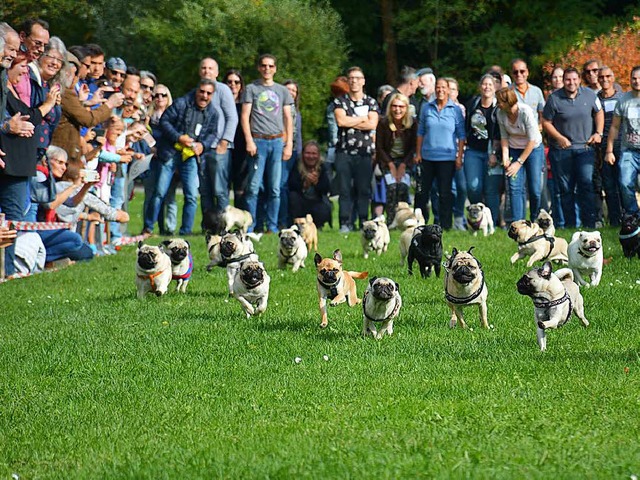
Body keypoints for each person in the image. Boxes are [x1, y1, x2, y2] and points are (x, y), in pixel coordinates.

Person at [144, 79, 220, 235]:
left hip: (191, 157)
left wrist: (203, 145)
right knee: (159, 192)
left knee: (192, 195)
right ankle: (149, 228)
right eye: (202, 92)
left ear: (212, 95)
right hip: (170, 152)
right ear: (197, 90)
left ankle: (186, 231)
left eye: (208, 93)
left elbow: (212, 133)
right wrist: (179, 137)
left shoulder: (213, 113)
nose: (204, 96)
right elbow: (164, 122)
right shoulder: (181, 103)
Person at [542, 67, 604, 228]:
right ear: (563, 81)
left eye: (574, 79)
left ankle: (589, 224)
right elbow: (546, 122)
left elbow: (599, 112)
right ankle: (570, 226)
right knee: (565, 190)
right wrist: (559, 138)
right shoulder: (554, 98)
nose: (571, 82)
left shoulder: (590, 95)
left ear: (579, 80)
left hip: (585, 149)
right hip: (562, 151)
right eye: (568, 79)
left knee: (586, 185)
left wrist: (599, 133)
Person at [241, 54, 293, 233]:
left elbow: (288, 117)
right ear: (259, 68)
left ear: (275, 68)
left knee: (275, 188)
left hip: (277, 141)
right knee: (253, 187)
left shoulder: (282, 91)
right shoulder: (251, 89)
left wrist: (289, 144)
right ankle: (251, 226)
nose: (267, 69)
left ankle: (272, 226)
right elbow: (245, 116)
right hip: (258, 141)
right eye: (264, 66)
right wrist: (249, 140)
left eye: (271, 66)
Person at [414, 77, 465, 230]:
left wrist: (459, 157)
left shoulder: (455, 110)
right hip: (427, 157)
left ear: (449, 90)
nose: (440, 90)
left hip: (447, 158)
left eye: (444, 87)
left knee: (445, 193)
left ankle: (445, 225)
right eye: (438, 87)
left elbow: (461, 135)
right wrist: (418, 153)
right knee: (423, 193)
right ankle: (420, 223)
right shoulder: (426, 108)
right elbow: (421, 132)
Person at [333, 66, 379, 232]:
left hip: (364, 152)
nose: (354, 81)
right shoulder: (340, 101)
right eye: (351, 78)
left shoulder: (371, 102)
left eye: (358, 78)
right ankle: (345, 223)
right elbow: (341, 122)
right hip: (344, 151)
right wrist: (362, 119)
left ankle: (363, 222)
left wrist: (350, 119)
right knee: (344, 189)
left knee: (364, 189)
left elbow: (373, 123)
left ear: (363, 81)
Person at [198, 57, 238, 216]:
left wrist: (225, 141)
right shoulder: (197, 90)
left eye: (210, 68)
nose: (207, 71)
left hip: (218, 148)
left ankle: (223, 226)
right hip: (201, 148)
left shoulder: (223, 90)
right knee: (204, 190)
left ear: (217, 72)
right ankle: (208, 226)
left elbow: (232, 117)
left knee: (220, 190)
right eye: (203, 68)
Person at [496, 87, 544, 221]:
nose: (497, 104)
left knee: (535, 189)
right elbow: (504, 137)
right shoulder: (500, 113)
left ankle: (534, 219)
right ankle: (518, 223)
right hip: (514, 148)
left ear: (508, 101)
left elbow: (532, 140)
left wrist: (518, 162)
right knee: (514, 188)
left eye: (500, 101)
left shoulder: (525, 112)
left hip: (533, 149)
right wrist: (506, 157)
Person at [464, 73, 502, 224]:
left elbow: (501, 133)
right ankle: (476, 219)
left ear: (495, 88)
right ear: (480, 87)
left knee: (491, 190)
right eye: (484, 84)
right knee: (473, 187)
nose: (487, 87)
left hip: (493, 152)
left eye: (490, 85)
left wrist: (494, 153)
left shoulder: (498, 107)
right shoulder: (472, 104)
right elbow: (465, 125)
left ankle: (491, 223)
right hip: (473, 151)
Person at [375, 92, 416, 222]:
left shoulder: (413, 124)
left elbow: (414, 147)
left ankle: (404, 218)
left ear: (406, 108)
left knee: (403, 186)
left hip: (406, 161)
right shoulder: (383, 123)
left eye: (401, 106)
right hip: (388, 161)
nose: (397, 109)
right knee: (392, 186)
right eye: (394, 106)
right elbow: (379, 147)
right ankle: (391, 219)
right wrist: (391, 165)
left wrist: (403, 165)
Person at [605, 65, 640, 215]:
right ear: (630, 79)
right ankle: (634, 216)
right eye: (634, 78)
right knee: (625, 183)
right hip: (629, 151)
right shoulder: (623, 100)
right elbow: (614, 127)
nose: (637, 81)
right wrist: (609, 150)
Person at [145, 84, 177, 235]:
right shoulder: (148, 116)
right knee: (152, 193)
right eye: (156, 95)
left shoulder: (173, 114)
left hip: (168, 157)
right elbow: (142, 133)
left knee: (167, 195)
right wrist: (150, 147)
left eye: (163, 95)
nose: (160, 98)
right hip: (152, 158)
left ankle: (167, 228)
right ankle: (149, 226)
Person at [595, 66, 623, 226]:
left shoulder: (622, 97)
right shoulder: (595, 99)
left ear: (613, 78)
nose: (604, 79)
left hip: (622, 145)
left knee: (624, 184)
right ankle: (615, 220)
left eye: (608, 76)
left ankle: (629, 218)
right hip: (602, 147)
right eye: (601, 77)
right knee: (609, 185)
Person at [288, 140, 332, 229]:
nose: (311, 156)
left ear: (318, 155)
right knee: (293, 197)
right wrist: (304, 183)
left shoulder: (323, 166)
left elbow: (327, 188)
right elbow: (291, 185)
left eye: (314, 153)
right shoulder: (297, 164)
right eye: (308, 153)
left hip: (317, 200)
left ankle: (318, 225)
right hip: (301, 200)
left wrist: (316, 183)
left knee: (324, 206)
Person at [278, 79, 302, 228]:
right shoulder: (276, 111)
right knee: (277, 187)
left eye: (293, 90)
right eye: (287, 89)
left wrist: (299, 154)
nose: (290, 93)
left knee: (284, 187)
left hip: (292, 153)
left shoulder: (297, 113)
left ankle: (285, 220)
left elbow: (298, 135)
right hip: (278, 150)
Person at [223, 69, 248, 210]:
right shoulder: (220, 102)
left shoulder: (245, 104)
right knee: (223, 188)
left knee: (241, 189)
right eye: (230, 81)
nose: (233, 85)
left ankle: (240, 222)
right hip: (224, 148)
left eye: (236, 82)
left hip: (241, 149)